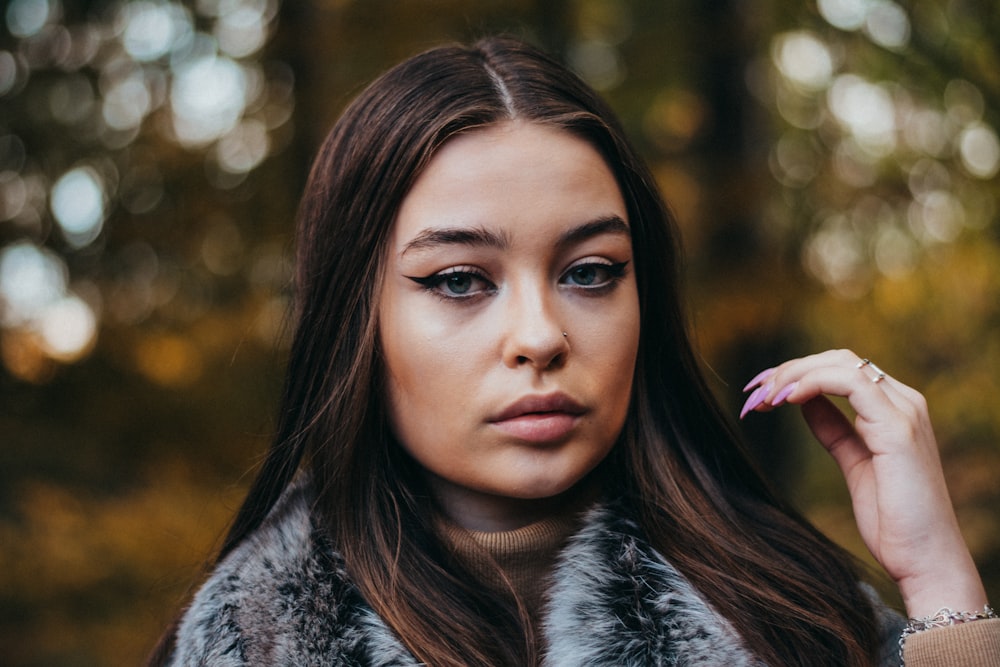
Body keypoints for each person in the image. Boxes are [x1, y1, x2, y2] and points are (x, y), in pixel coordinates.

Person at [149, 36, 998, 666]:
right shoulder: (245, 643)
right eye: (456, 281)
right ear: (354, 318)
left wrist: (942, 591)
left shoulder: (799, 615)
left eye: (590, 271)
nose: (540, 336)